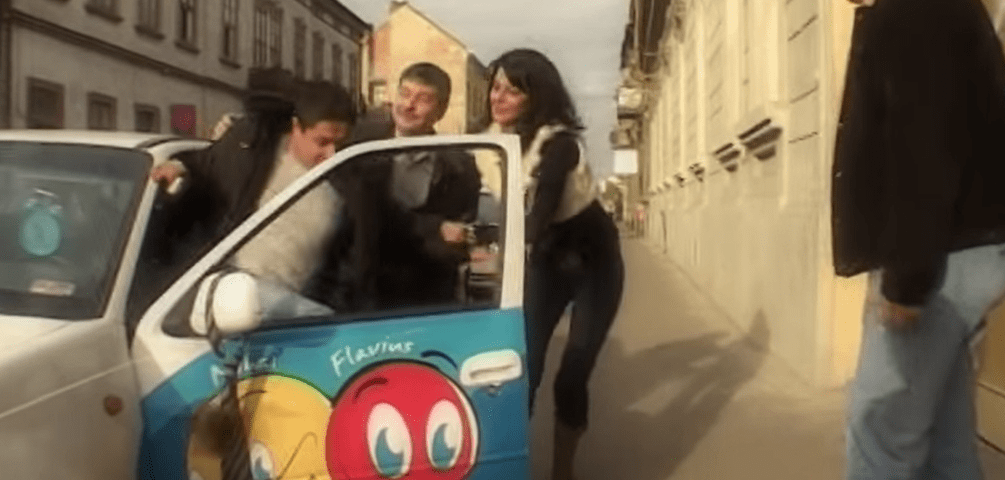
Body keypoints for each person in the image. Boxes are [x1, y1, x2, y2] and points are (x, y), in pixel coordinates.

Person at [832, 0, 1005, 478]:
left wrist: (907, 284)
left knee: (879, 437)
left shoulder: (914, 12)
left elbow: (924, 152)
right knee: (946, 448)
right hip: (961, 255)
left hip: (935, 265)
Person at [483, 48, 625, 480]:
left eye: (512, 91)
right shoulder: (489, 142)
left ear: (536, 97)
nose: (498, 98)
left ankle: (563, 469)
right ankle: (507, 467)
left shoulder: (558, 143)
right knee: (523, 370)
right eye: (495, 87)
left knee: (571, 375)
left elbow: (538, 215)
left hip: (594, 264)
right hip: (547, 261)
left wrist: (488, 246)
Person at [150, 75, 356, 290]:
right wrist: (178, 166)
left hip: (297, 306)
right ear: (296, 127)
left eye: (340, 144)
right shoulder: (251, 151)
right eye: (322, 142)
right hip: (228, 291)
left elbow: (350, 263)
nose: (332, 154)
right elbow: (207, 163)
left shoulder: (352, 182)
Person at [308, 62, 483, 311]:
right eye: (405, 93)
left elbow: (457, 238)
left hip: (424, 298)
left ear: (441, 110)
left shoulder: (459, 167)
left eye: (423, 99)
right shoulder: (357, 147)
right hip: (358, 295)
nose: (409, 105)